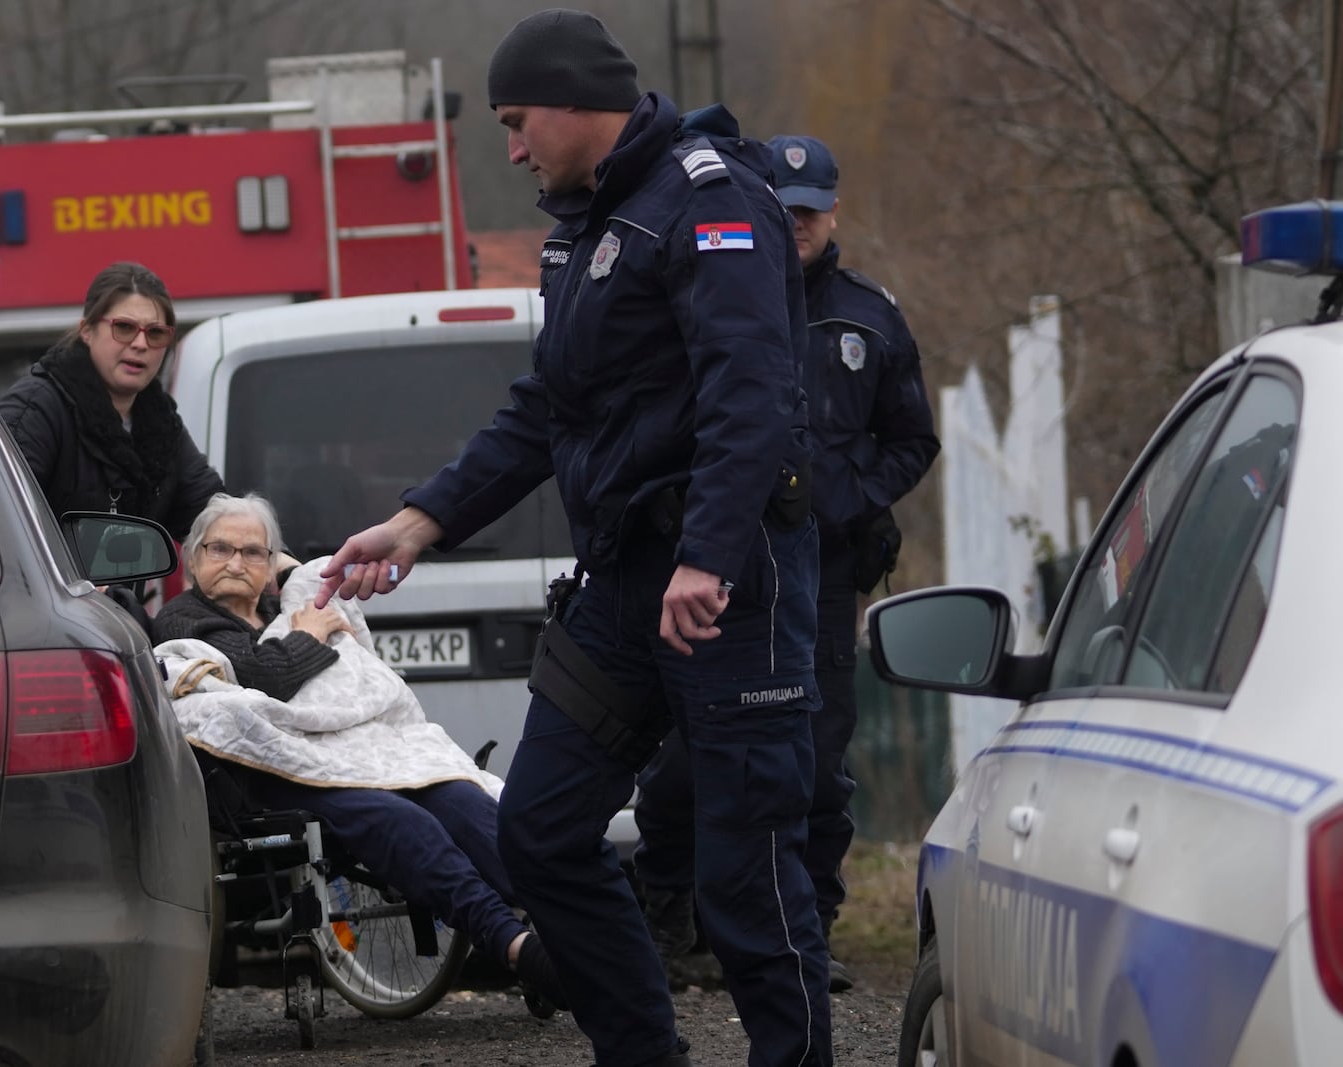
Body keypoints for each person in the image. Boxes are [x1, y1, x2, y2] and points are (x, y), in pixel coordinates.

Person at [314, 11, 830, 1067]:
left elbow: (753, 393)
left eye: (515, 122)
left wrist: (711, 552)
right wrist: (420, 521)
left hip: (726, 583)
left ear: (572, 100)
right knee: (539, 833)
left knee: (746, 878)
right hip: (621, 587)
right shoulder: (586, 225)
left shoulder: (710, 196)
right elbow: (549, 407)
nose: (510, 148)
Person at [633, 134, 940, 994]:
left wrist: (841, 500)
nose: (798, 224)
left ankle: (809, 928)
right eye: (785, 208)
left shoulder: (869, 316)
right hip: (714, 565)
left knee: (816, 757)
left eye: (811, 210)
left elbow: (913, 441)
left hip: (823, 574)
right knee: (688, 757)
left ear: (833, 211)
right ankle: (673, 921)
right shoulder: (712, 292)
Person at [152, 492, 567, 1012]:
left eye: (253, 553)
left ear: (272, 568)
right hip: (276, 774)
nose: (236, 563)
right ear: (194, 560)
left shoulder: (287, 605)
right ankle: (515, 945)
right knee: (395, 817)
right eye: (220, 549)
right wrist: (305, 638)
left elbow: (335, 651)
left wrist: (298, 620)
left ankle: (569, 929)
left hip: (359, 752)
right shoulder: (182, 621)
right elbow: (261, 679)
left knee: (458, 798)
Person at [0, 261, 223, 541]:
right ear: (87, 331)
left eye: (155, 333)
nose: (140, 344)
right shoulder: (35, 410)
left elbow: (216, 517)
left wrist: (284, 566)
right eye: (124, 327)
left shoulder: (160, 423)